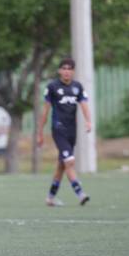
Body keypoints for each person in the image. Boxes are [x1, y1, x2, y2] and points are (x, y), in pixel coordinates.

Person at [36, 57, 92, 206]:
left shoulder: (78, 87)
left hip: (72, 131)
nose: (67, 72)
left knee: (62, 165)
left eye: (70, 69)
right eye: (64, 68)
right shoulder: (52, 87)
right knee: (70, 162)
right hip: (58, 129)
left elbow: (84, 104)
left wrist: (88, 121)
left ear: (73, 71)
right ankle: (80, 193)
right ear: (59, 71)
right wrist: (40, 133)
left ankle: (50, 197)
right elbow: (45, 112)